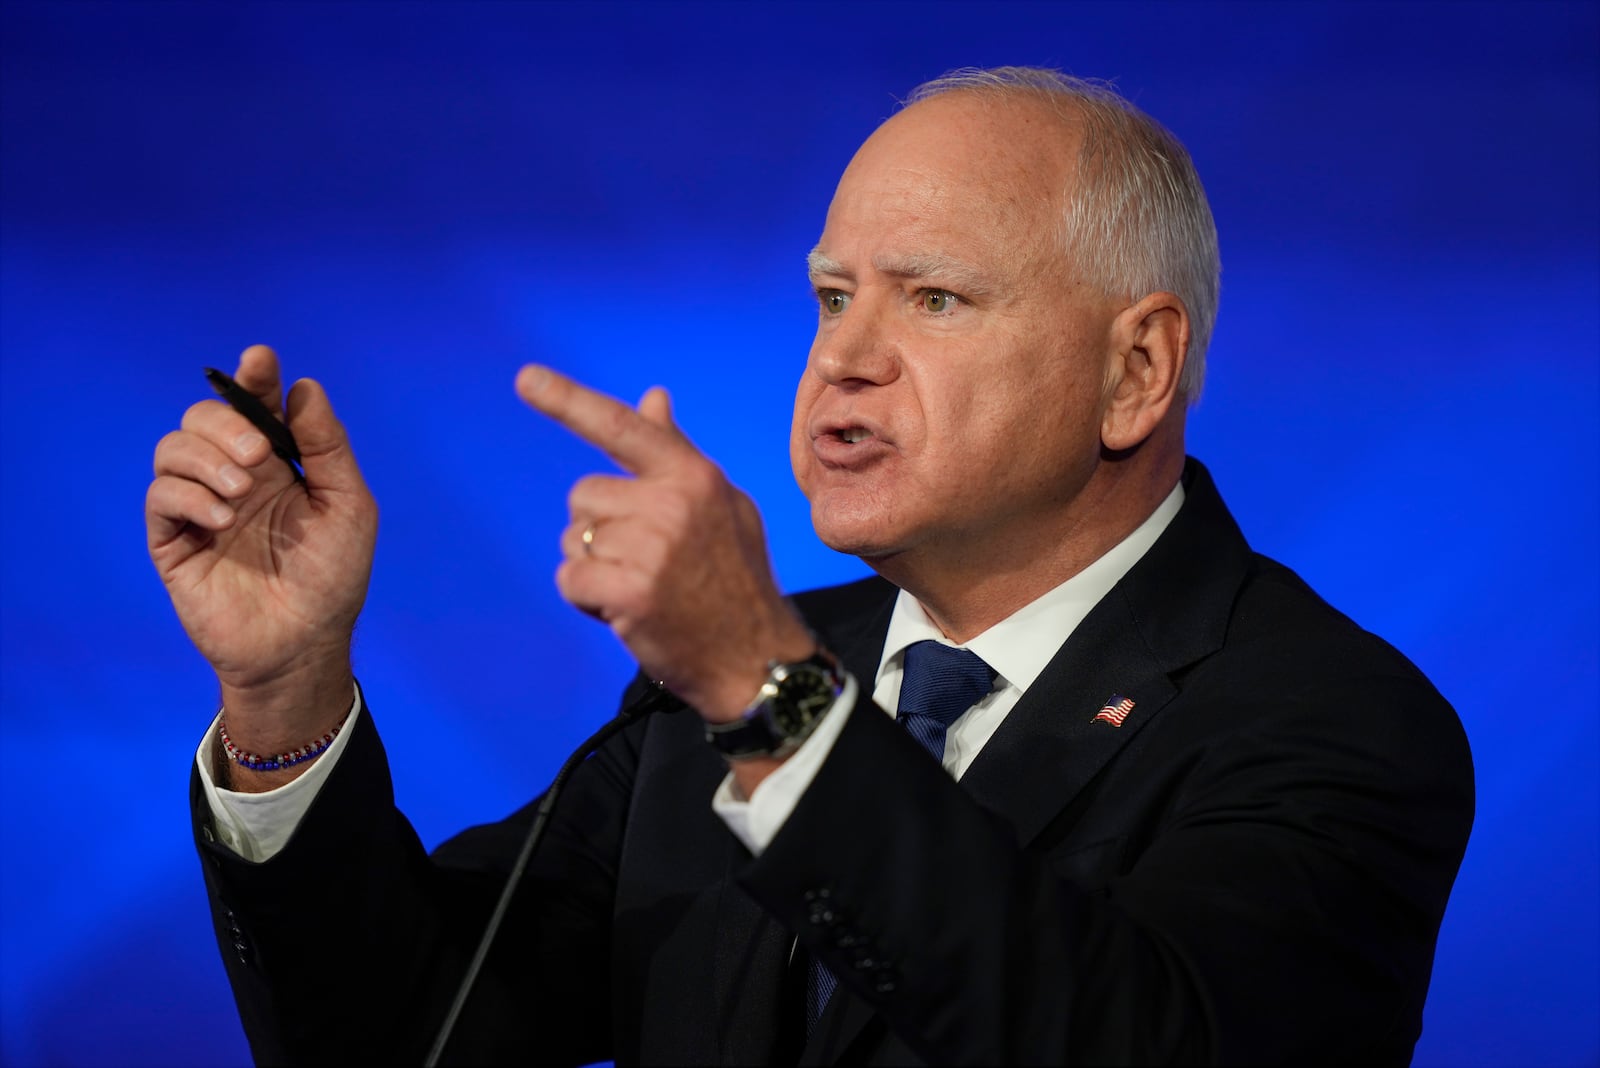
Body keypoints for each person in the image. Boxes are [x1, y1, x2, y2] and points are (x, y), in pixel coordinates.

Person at [148, 67, 1473, 1065]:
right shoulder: (712, 696)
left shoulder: (1332, 723)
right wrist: (285, 688)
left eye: (934, 298)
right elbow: (400, 1035)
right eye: (835, 296)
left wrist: (762, 685)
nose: (844, 356)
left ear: (1137, 370)